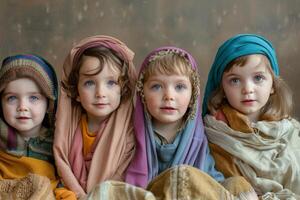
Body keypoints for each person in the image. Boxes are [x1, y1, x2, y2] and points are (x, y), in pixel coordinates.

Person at [90, 46, 257, 200]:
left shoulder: (197, 139)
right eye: (156, 87)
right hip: (147, 194)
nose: (169, 96)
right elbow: (120, 179)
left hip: (187, 193)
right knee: (107, 190)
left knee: (236, 183)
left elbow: (210, 180)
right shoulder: (130, 133)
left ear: (193, 96)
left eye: (179, 87)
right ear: (142, 94)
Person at [202, 33, 300, 199]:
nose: (248, 89)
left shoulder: (291, 132)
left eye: (258, 78)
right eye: (235, 80)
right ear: (222, 88)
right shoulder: (212, 133)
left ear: (273, 85)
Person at [53, 35, 137, 199]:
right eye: (90, 83)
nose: (100, 93)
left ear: (124, 89)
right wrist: (79, 194)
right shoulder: (67, 128)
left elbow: (122, 174)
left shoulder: (129, 131)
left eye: (111, 83)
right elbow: (62, 163)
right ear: (76, 92)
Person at [0, 54, 59, 199]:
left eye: (33, 98)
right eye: (12, 98)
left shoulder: (58, 141)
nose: (22, 107)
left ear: (48, 105)